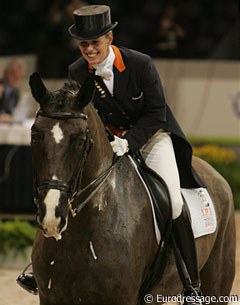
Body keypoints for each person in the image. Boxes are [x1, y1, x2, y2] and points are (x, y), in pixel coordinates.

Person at [18, 5, 203, 303]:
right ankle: (44, 266)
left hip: (152, 137)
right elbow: (83, 114)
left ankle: (191, 282)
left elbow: (156, 113)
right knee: (70, 192)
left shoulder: (140, 64)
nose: (89, 50)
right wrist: (105, 140)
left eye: (95, 43)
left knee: (174, 201)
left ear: (109, 37)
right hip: (109, 139)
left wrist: (129, 141)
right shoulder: (77, 70)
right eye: (84, 44)